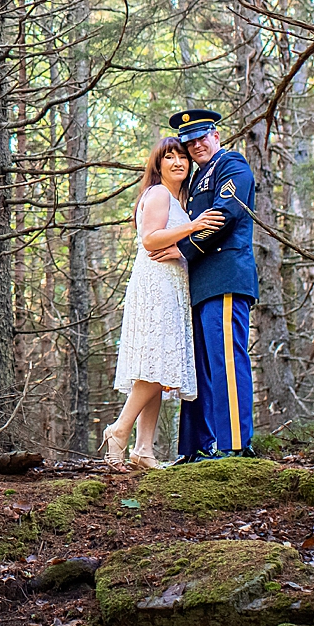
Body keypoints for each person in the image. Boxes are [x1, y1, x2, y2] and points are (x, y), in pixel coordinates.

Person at [101, 136, 225, 469]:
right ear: (158, 165)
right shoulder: (158, 193)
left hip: (172, 285)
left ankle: (143, 450)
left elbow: (173, 243)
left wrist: (186, 240)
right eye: (169, 157)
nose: (178, 162)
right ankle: (119, 430)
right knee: (156, 365)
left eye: (182, 157)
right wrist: (195, 226)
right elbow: (150, 239)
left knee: (159, 365)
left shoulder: (177, 200)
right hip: (156, 284)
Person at [170, 107, 260, 461]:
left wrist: (182, 250)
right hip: (199, 284)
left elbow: (224, 214)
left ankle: (234, 443)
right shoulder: (194, 180)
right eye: (189, 142)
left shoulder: (231, 164)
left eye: (201, 138)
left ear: (216, 136)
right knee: (199, 369)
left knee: (226, 361)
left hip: (224, 275)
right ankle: (196, 447)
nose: (196, 146)